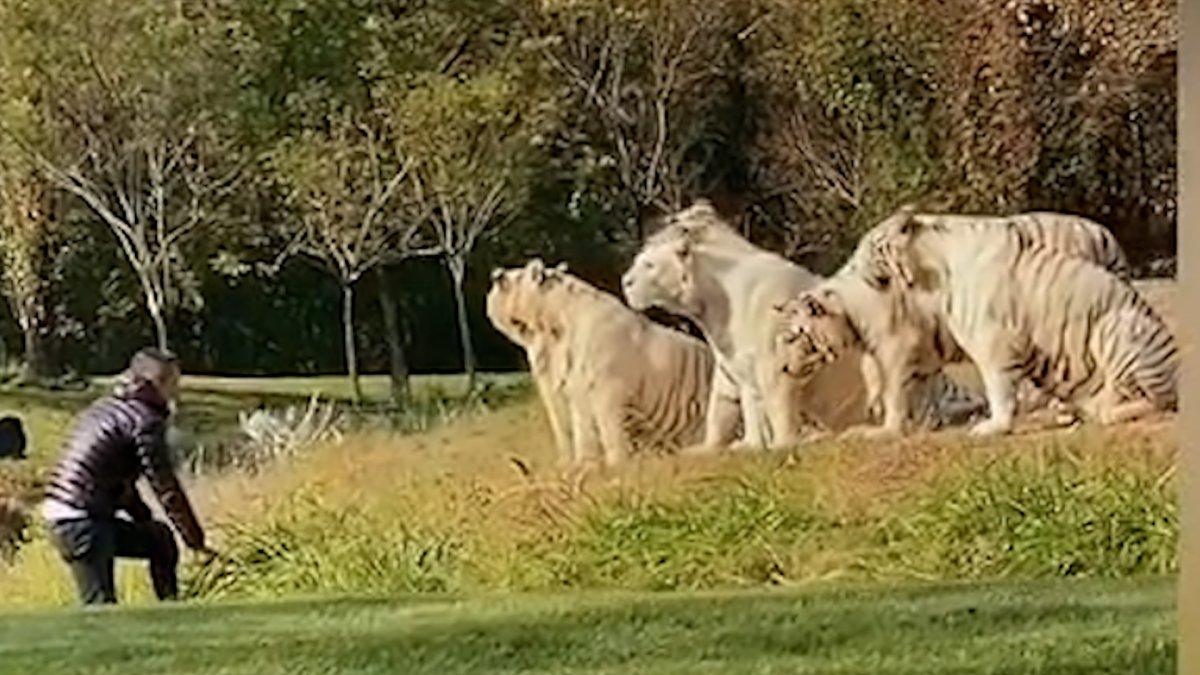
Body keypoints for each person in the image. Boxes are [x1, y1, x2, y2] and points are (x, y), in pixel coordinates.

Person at [42, 348, 211, 605]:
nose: (177, 392)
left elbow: (120, 484)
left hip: (76, 517)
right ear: (158, 383)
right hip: (80, 524)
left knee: (159, 538)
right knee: (100, 609)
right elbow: (165, 487)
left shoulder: (109, 407)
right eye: (174, 383)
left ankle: (171, 611)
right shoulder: (144, 421)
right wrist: (196, 543)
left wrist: (144, 519)